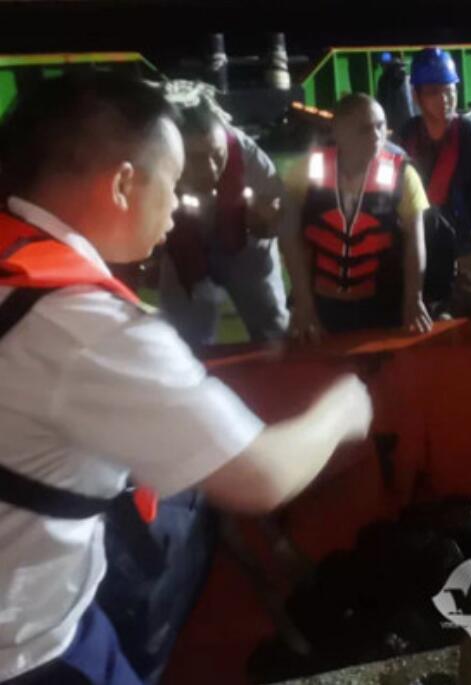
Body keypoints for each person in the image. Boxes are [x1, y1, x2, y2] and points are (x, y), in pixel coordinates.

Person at [0, 72, 372, 685]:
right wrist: (344, 410)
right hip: (31, 649)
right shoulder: (91, 330)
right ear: (123, 184)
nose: (178, 205)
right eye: (172, 183)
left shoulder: (16, 260)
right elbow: (261, 475)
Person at [282, 93, 432, 340]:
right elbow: (289, 236)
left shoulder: (404, 176)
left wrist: (413, 299)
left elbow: (415, 244)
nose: (376, 136)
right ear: (338, 133)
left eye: (380, 126)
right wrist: (303, 302)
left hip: (382, 303)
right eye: (364, 129)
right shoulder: (306, 171)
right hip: (320, 302)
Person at [158, 81, 290, 346]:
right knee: (182, 337)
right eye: (195, 158)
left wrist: (266, 221)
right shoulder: (153, 159)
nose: (210, 169)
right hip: (181, 244)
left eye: (217, 155)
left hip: (244, 241)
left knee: (272, 324)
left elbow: (280, 222)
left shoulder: (246, 154)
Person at [397, 47, 471, 318]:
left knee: (470, 326)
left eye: (449, 90)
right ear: (416, 96)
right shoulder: (407, 136)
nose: (444, 99)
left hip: (466, 254)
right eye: (433, 92)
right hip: (419, 247)